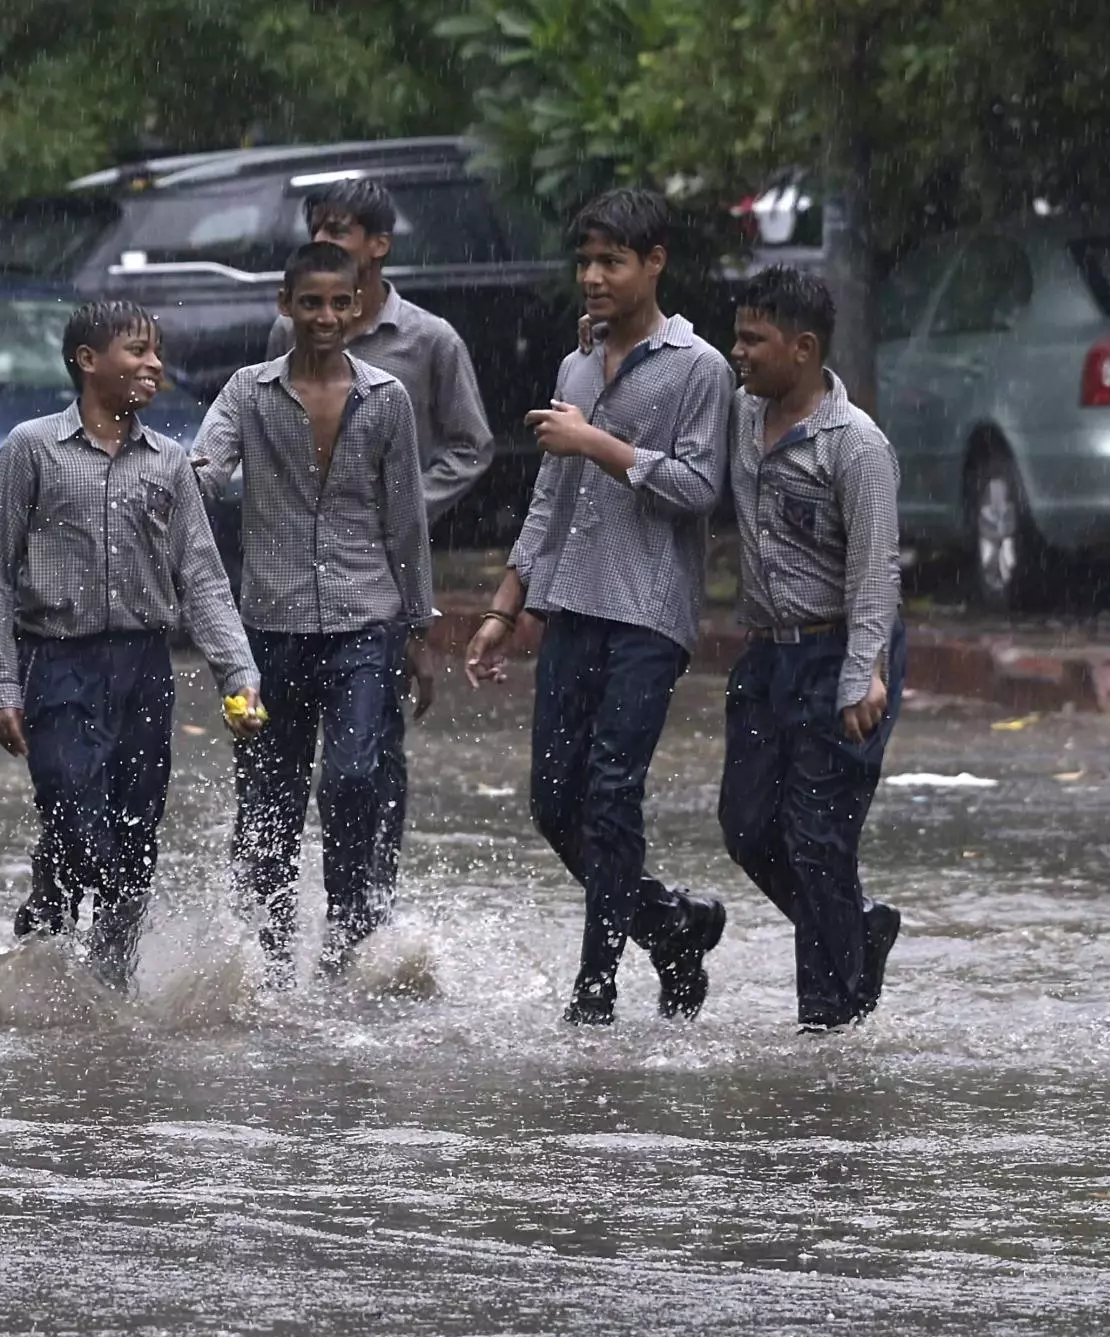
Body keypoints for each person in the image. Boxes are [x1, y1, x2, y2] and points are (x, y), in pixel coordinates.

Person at [461, 188, 732, 1026]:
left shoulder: (700, 368)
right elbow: (551, 494)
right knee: (553, 799)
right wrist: (506, 606)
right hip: (572, 601)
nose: (592, 277)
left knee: (613, 792)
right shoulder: (576, 365)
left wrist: (599, 444)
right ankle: (672, 927)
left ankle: (595, 988)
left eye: (611, 261)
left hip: (649, 609)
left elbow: (696, 486)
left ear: (654, 264)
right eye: (585, 261)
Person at [0, 300, 260, 989]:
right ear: (87, 360)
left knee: (135, 838)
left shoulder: (168, 466)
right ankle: (47, 912)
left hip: (142, 668)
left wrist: (237, 673)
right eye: (136, 351)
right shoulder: (32, 449)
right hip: (58, 663)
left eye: (155, 352)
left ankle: (108, 988)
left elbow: (203, 577)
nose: (153, 365)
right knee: (75, 813)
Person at [192, 242, 434, 973]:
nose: (325, 316)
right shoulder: (248, 391)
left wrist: (419, 630)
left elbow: (407, 520)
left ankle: (351, 934)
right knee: (270, 796)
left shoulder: (385, 398)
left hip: (365, 617)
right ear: (285, 307)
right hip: (270, 624)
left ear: (357, 305)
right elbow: (203, 471)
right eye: (310, 303)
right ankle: (265, 957)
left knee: (355, 776)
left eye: (338, 303)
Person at [265, 178, 495, 914]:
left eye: (342, 229)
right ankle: (266, 929)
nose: (329, 242)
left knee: (367, 760)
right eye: (319, 228)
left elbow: (470, 446)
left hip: (385, 573)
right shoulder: (286, 336)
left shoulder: (427, 340)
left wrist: (400, 505)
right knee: (278, 763)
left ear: (378, 244)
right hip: (293, 580)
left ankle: (365, 912)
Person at [719, 268, 906, 1031]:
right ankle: (854, 929)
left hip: (840, 650)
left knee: (817, 837)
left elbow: (874, 569)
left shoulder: (854, 445)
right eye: (736, 337)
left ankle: (829, 1022)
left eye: (753, 340)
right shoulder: (738, 412)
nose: (738, 353)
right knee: (747, 826)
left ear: (801, 348)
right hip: (767, 653)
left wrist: (864, 675)